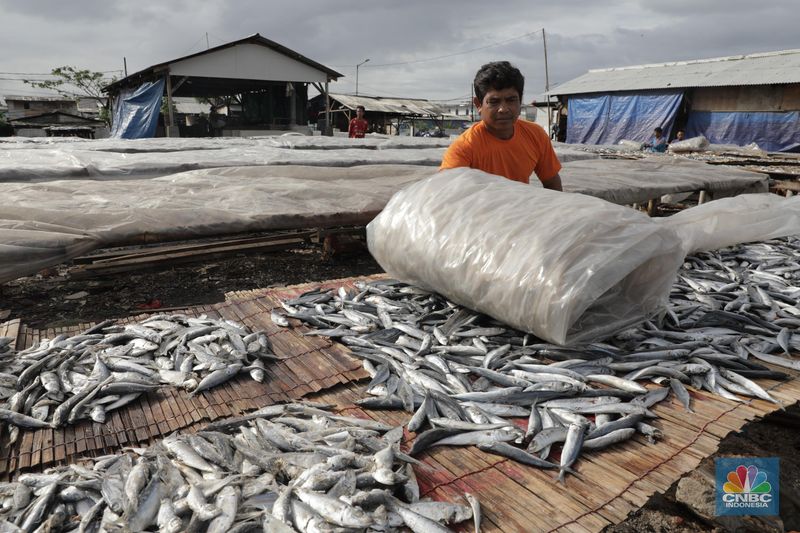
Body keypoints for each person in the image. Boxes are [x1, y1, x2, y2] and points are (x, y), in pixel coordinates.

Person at [440, 61, 562, 190]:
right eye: (494, 101)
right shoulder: (463, 148)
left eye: (511, 100)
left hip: (522, 207)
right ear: (478, 105)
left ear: (520, 102)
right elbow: (448, 196)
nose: (503, 109)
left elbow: (551, 182)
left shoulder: (536, 135)